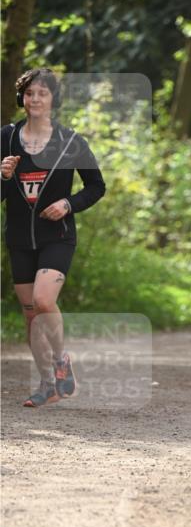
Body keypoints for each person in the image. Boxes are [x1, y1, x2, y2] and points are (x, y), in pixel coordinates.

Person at [1, 68, 106, 406]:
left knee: (45, 302)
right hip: (19, 237)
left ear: (52, 100)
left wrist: (67, 203)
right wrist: (2, 176)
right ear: (22, 98)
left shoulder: (71, 141)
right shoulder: (5, 138)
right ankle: (47, 384)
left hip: (56, 236)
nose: (35, 100)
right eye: (29, 93)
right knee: (31, 314)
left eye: (42, 94)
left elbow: (96, 186)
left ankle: (61, 361)